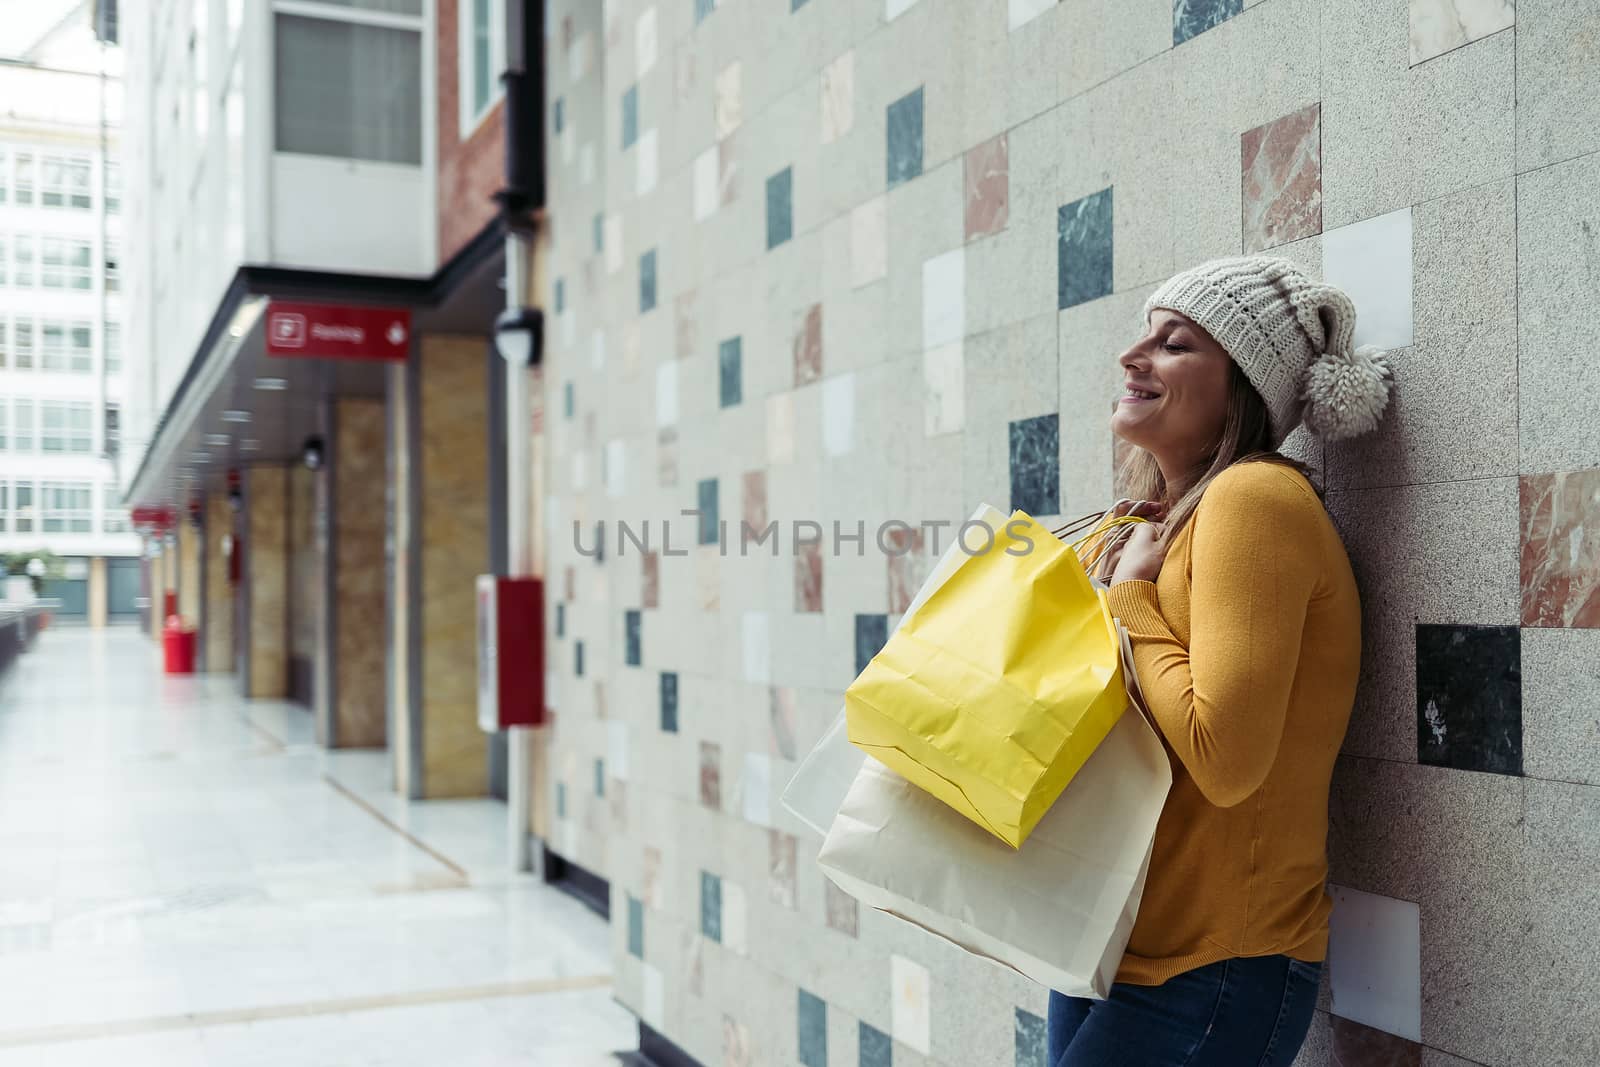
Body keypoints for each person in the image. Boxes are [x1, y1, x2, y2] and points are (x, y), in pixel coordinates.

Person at [1047, 255, 1396, 1066]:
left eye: (1175, 344)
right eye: (1144, 336)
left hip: (1214, 966)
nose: (1134, 357)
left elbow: (1227, 756)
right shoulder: (1165, 524)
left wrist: (1130, 606)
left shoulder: (1254, 500)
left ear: (1241, 383)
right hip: (1118, 937)